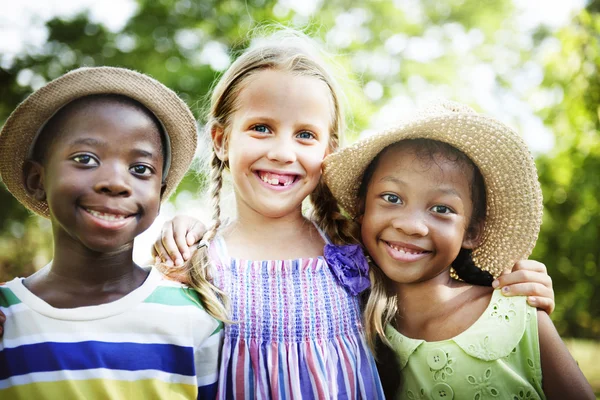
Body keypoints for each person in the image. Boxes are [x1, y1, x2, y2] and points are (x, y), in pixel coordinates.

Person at [157, 33, 385, 398]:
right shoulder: (199, 265)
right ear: (220, 140)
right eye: (261, 128)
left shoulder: (355, 248)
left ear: (329, 150)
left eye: (305, 135)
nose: (282, 152)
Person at [322, 100, 595, 399]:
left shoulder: (519, 313)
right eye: (392, 197)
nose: (412, 225)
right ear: (362, 209)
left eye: (441, 208)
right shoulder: (347, 324)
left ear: (472, 231)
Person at [0, 67, 223, 399]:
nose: (117, 182)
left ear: (160, 194)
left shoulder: (193, 317)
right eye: (86, 159)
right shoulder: (6, 318)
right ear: (37, 180)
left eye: (140, 169)